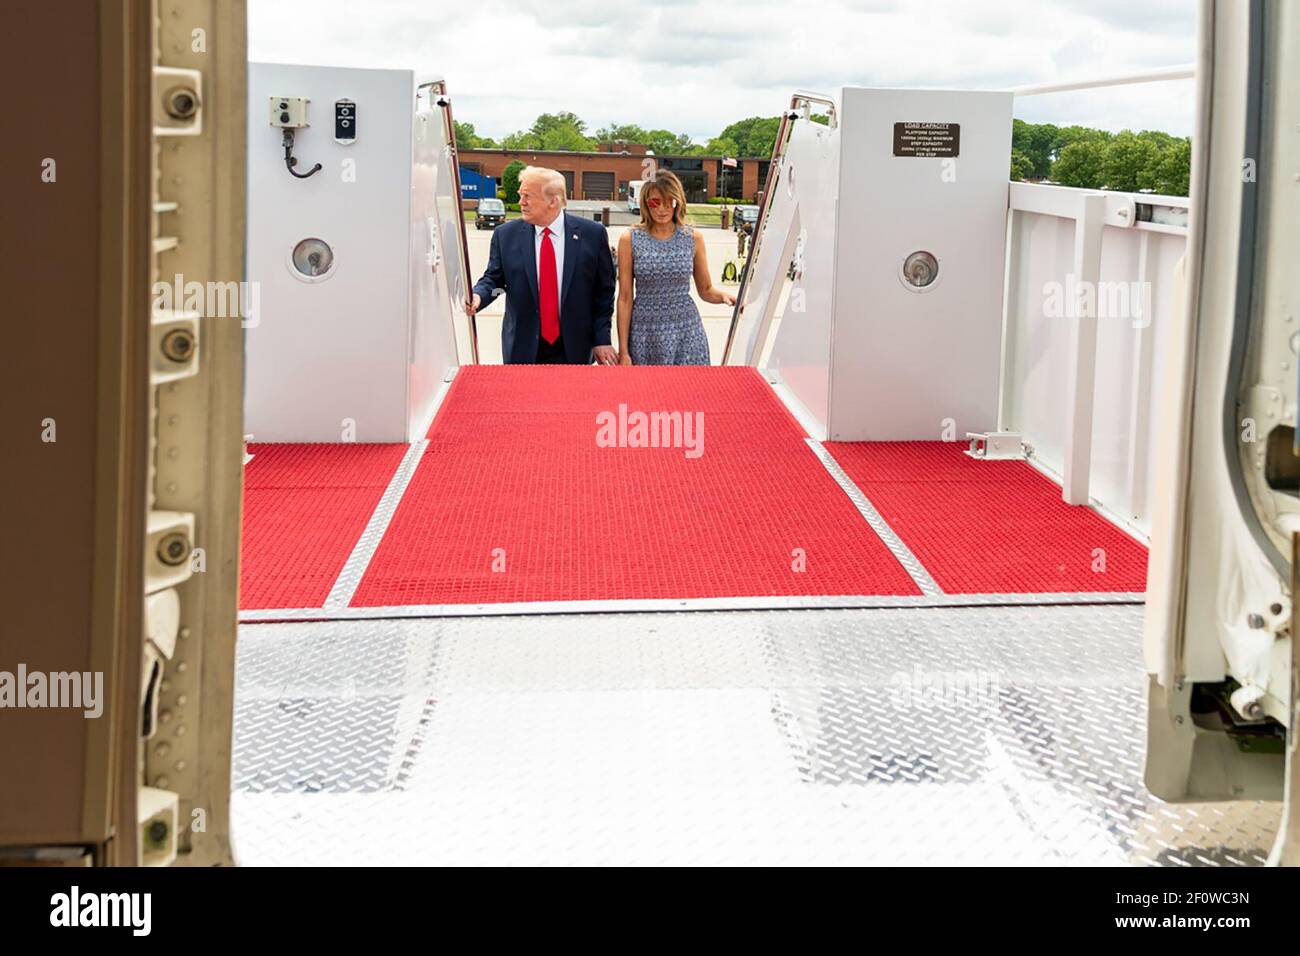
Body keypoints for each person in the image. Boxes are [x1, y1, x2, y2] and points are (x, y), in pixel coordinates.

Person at [467, 166, 617, 365]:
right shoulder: (505, 236)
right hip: (523, 348)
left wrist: (602, 339)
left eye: (528, 196)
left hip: (575, 348)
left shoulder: (592, 235)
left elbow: (604, 292)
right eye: (521, 195)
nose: (521, 202)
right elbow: (495, 280)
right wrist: (478, 296)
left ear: (553, 201)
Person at [616, 170, 735, 366]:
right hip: (645, 334)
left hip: (687, 332)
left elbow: (705, 290)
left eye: (669, 202)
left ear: (678, 202)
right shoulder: (630, 239)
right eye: (655, 202)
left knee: (688, 393)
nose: (662, 209)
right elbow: (625, 298)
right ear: (646, 203)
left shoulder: (693, 237)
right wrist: (624, 351)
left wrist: (724, 297)